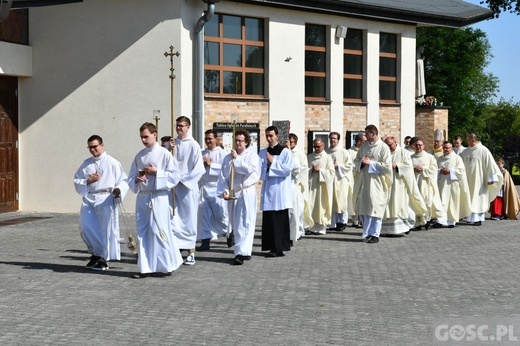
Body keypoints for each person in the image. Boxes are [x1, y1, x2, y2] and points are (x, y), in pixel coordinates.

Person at [127, 122, 183, 279]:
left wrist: (157, 172)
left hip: (159, 197)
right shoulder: (140, 155)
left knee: (158, 231)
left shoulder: (164, 154)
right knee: (143, 232)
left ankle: (166, 265)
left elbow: (175, 176)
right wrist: (137, 178)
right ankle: (145, 268)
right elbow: (130, 177)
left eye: (146, 136)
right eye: (141, 137)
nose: (143, 140)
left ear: (154, 134)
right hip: (143, 196)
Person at [74, 135, 129, 271]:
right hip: (90, 198)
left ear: (102, 145)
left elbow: (123, 180)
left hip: (105, 198)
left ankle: (103, 258)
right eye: (90, 147)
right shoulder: (86, 164)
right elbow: (76, 180)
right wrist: (88, 181)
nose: (92, 150)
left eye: (95, 146)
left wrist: (118, 190)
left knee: (105, 230)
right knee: (86, 227)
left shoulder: (112, 163)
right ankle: (95, 253)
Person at [217, 129, 261, 265]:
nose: (238, 143)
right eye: (236, 141)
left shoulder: (252, 156)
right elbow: (223, 177)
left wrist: (237, 159)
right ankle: (244, 250)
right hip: (233, 192)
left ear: (246, 142)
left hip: (246, 191)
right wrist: (224, 191)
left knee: (246, 222)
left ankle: (241, 253)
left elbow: (247, 170)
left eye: (241, 141)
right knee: (236, 222)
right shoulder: (227, 157)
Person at [171, 116, 205, 265]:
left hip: (187, 187)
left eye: (181, 126)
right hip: (173, 187)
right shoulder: (172, 144)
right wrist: (168, 149)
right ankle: (177, 248)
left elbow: (199, 169)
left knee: (189, 219)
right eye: (177, 125)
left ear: (188, 127)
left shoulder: (194, 145)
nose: (179, 128)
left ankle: (191, 252)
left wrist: (183, 180)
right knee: (174, 219)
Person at [352, 125, 392, 243]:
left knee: (376, 208)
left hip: (377, 182)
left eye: (367, 134)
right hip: (364, 181)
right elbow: (356, 161)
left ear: (373, 133)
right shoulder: (364, 146)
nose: (365, 136)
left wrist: (371, 163)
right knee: (364, 207)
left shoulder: (383, 147)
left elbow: (387, 166)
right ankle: (367, 233)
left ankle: (375, 234)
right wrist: (362, 163)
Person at [381, 136, 427, 236]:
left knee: (400, 205)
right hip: (387, 184)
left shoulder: (403, 153)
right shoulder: (385, 153)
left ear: (395, 142)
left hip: (399, 184)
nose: (388, 147)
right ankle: (386, 230)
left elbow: (408, 167)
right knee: (387, 206)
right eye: (387, 145)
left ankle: (402, 228)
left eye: (390, 145)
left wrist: (397, 166)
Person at [259, 126, 293, 257]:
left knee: (279, 221)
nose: (269, 138)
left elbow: (287, 170)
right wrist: (267, 166)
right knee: (269, 221)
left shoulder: (285, 152)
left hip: (280, 191)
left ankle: (280, 248)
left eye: (271, 136)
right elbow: (259, 170)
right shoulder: (262, 152)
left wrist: (273, 162)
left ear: (277, 136)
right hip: (268, 190)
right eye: (267, 136)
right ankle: (271, 247)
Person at [460, 132, 503, 226]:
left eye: (468, 140)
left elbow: (491, 165)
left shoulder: (484, 150)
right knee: (469, 197)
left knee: (478, 198)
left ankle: (478, 219)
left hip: (480, 181)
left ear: (473, 140)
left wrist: (491, 178)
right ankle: (469, 217)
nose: (467, 142)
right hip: (468, 180)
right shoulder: (465, 152)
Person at [197, 129, 229, 251]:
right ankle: (205, 241)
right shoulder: (201, 152)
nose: (208, 141)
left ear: (216, 139)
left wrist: (211, 165)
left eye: (210, 138)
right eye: (206, 138)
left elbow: (225, 170)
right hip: (204, 186)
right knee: (203, 214)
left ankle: (229, 233)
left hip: (216, 186)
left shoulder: (222, 153)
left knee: (220, 214)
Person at [434, 141, 472, 228]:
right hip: (442, 184)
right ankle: (440, 220)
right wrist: (440, 171)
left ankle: (451, 221)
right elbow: (435, 170)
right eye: (444, 148)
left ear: (451, 148)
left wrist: (450, 171)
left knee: (452, 203)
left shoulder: (457, 158)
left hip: (453, 185)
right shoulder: (440, 159)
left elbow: (461, 171)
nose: (446, 149)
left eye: (447, 148)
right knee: (442, 202)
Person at [411, 139, 444, 230]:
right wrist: (413, 169)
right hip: (415, 183)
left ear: (424, 146)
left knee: (427, 202)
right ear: (414, 146)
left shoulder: (429, 157)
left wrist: (423, 168)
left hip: (426, 183)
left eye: (420, 145)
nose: (418, 147)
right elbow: (407, 169)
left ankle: (427, 221)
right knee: (416, 203)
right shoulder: (410, 157)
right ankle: (418, 223)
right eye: (417, 145)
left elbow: (434, 169)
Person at [306, 138, 335, 235]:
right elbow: (304, 171)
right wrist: (311, 170)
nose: (316, 148)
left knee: (321, 206)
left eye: (318, 146)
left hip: (323, 188)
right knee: (311, 205)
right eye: (314, 146)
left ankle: (321, 228)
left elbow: (331, 173)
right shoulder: (309, 157)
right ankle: (311, 227)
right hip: (312, 186)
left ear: (323, 146)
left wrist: (320, 170)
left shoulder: (327, 158)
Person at [326, 132, 354, 231]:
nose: (332, 140)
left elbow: (349, 165)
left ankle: (342, 222)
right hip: (331, 180)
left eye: (334, 138)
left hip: (341, 179)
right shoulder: (326, 152)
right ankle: (333, 223)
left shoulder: (344, 152)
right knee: (332, 201)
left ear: (338, 140)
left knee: (342, 201)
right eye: (331, 138)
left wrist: (339, 166)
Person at [286, 133, 311, 242]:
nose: (289, 144)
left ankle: (299, 230)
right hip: (287, 185)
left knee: (298, 210)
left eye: (291, 142)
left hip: (296, 185)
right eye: (288, 142)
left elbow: (302, 169)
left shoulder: (300, 154)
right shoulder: (284, 152)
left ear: (295, 143)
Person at [347, 133, 366, 227]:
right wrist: (359, 164)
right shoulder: (349, 152)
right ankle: (355, 219)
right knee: (355, 198)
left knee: (363, 199)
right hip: (354, 178)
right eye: (364, 141)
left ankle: (363, 219)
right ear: (358, 142)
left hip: (365, 178)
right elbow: (350, 166)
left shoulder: (366, 150)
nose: (366, 143)